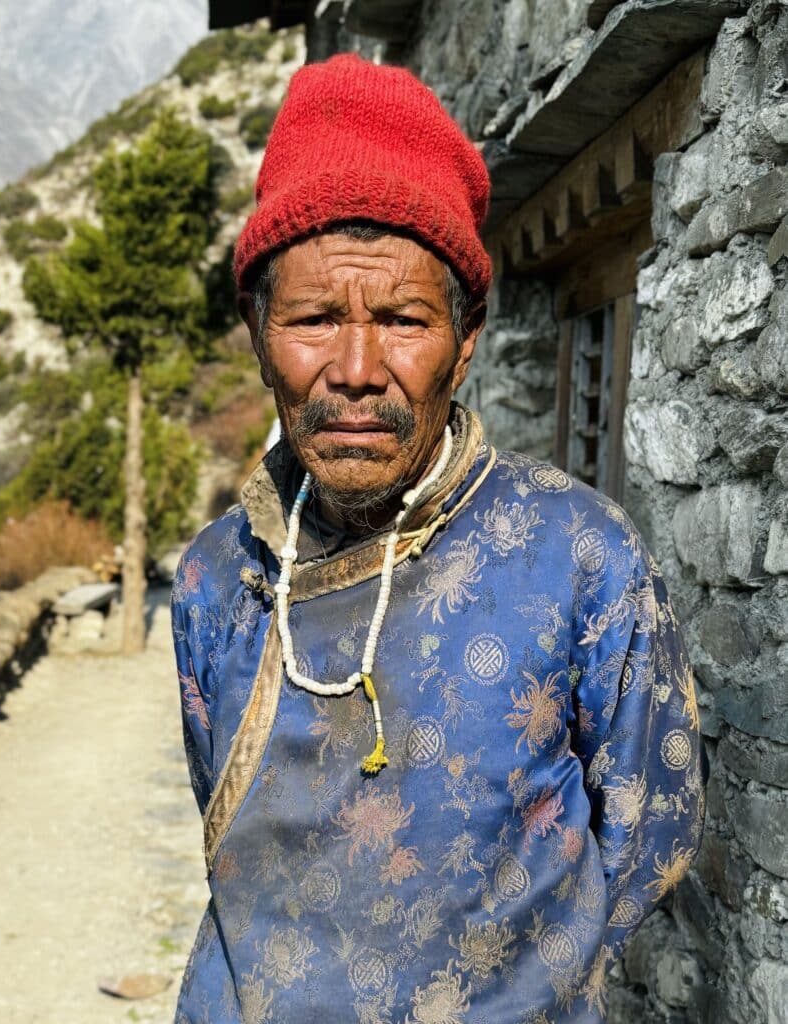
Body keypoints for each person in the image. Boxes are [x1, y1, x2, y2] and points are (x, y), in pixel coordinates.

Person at [171, 54, 705, 1024]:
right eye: (314, 317)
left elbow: (650, 832)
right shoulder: (220, 575)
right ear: (256, 331)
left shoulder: (584, 560)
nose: (358, 367)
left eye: (405, 319)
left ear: (467, 339)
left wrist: (508, 988)